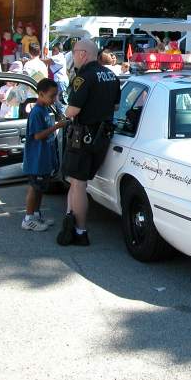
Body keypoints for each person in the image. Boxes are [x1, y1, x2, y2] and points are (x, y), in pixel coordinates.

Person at [57, 39, 120, 246]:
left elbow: (72, 110)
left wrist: (64, 111)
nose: (73, 56)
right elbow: (116, 105)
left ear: (83, 54)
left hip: (83, 137)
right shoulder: (111, 75)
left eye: (74, 52)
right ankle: (70, 219)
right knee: (77, 184)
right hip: (102, 136)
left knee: (78, 184)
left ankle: (80, 231)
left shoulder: (83, 77)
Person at [22, 79, 69, 231]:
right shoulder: (36, 112)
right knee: (34, 188)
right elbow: (37, 136)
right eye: (52, 95)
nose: (54, 99)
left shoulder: (45, 110)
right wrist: (56, 126)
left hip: (44, 159)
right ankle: (28, 218)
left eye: (56, 95)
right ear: (41, 94)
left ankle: (36, 214)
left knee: (41, 188)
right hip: (36, 159)